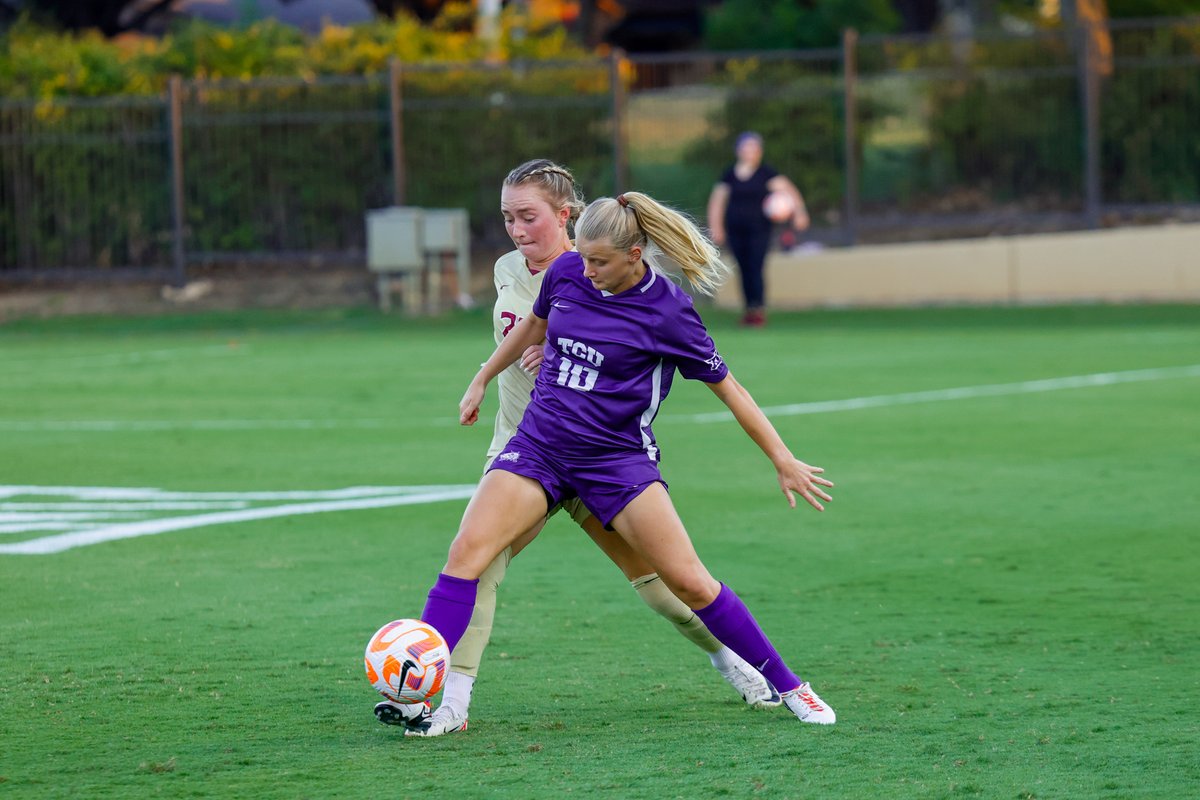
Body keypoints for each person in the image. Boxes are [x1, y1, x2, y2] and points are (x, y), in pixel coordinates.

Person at [375, 161, 779, 737]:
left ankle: (733, 660)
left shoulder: (595, 272)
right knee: (476, 566)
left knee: (662, 588)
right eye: (507, 218)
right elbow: (524, 331)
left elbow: (624, 350)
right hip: (523, 447)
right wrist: (487, 374)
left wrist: (565, 359)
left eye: (528, 217)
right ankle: (446, 702)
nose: (516, 230)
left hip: (596, 457)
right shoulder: (509, 270)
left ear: (566, 216)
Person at [706, 131, 809, 327]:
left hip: (759, 229)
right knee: (743, 268)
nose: (750, 152)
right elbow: (717, 201)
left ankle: (758, 308)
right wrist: (716, 227)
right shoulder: (729, 175)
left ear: (759, 151)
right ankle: (748, 309)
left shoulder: (766, 173)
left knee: (755, 266)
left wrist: (800, 213)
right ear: (738, 150)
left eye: (754, 148)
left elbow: (789, 191)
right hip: (736, 229)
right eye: (746, 147)